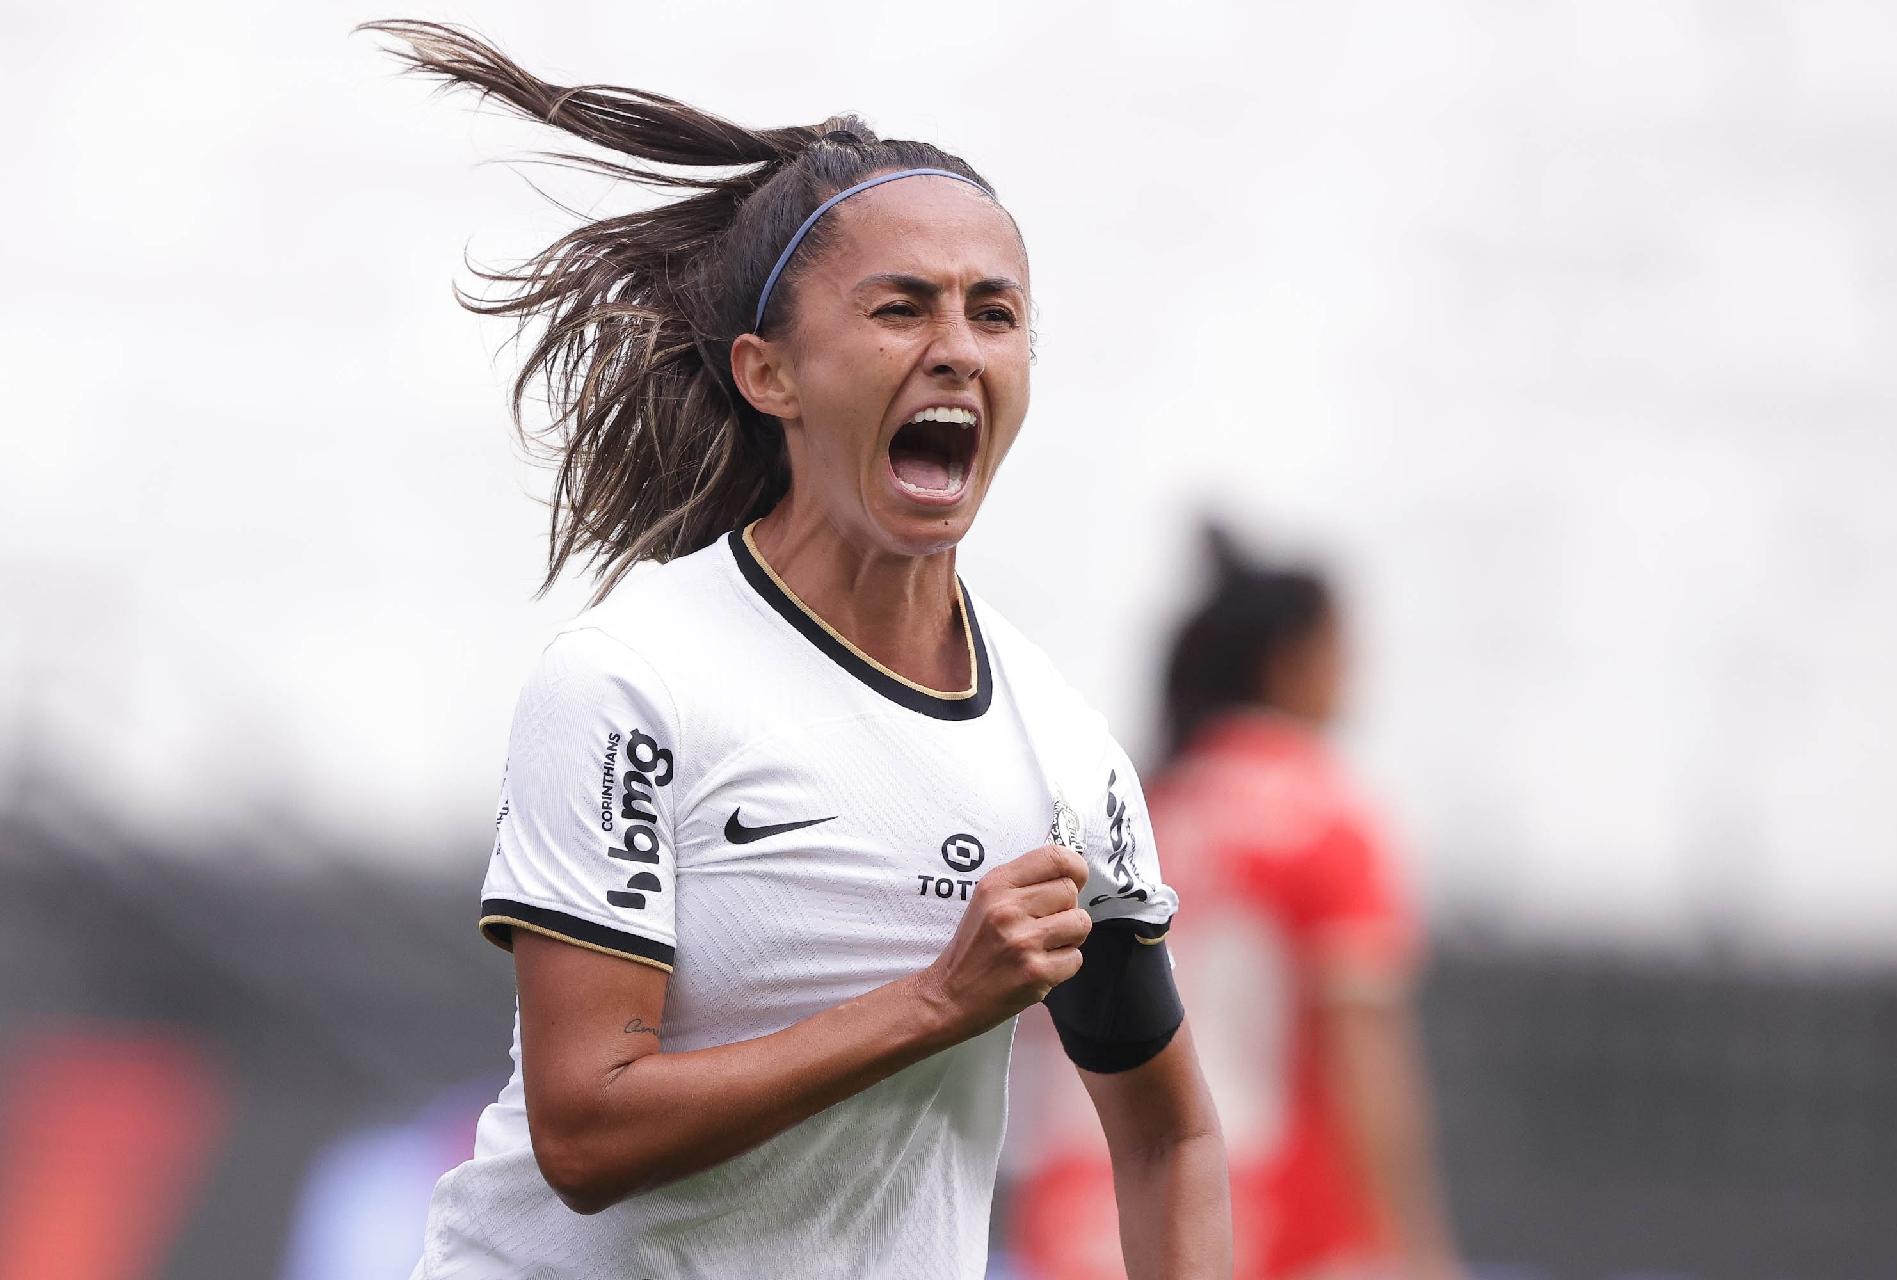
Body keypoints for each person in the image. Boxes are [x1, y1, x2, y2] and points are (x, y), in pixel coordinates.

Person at [361, 22, 1230, 1280]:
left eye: (996, 313)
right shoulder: (634, 680)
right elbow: (586, 1126)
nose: (957, 347)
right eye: (901, 307)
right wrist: (936, 1001)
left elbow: (1172, 1139)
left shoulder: (1066, 759)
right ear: (769, 372)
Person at [1012, 528, 1462, 1280]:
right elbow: (1364, 1051)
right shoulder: (1327, 817)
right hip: (1261, 1229)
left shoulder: (1132, 812)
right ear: (1289, 664)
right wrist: (1416, 1249)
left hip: (1088, 1219)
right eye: (1342, 654)